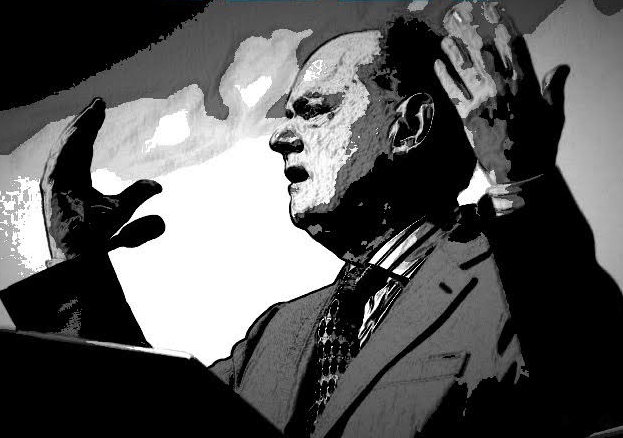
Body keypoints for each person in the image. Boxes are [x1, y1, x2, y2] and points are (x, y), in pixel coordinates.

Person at [2, 2, 622, 436]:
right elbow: (157, 424)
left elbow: (592, 376)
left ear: (408, 125)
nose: (281, 138)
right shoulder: (276, 333)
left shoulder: (511, 281)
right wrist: (78, 268)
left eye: (315, 110)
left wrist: (519, 179)